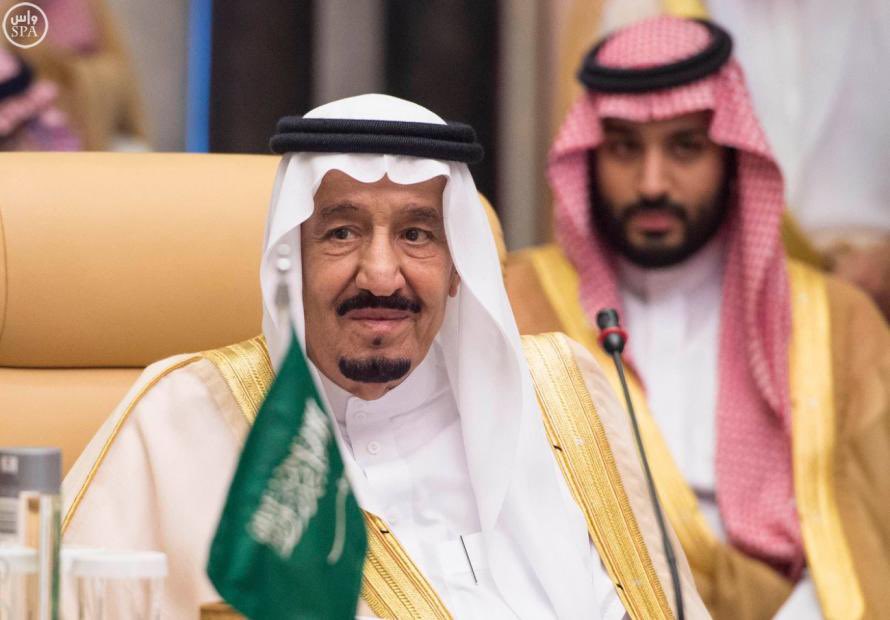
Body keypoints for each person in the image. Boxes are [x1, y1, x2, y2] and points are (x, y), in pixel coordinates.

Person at [61, 94, 707, 619]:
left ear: (457, 268)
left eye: (416, 234)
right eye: (341, 232)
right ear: (291, 257)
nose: (380, 274)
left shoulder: (562, 395)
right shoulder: (180, 420)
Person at [506, 16, 890, 619]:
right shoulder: (521, 301)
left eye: (685, 147)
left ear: (733, 153)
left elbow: (866, 534)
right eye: (624, 147)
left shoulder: (837, 324)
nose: (652, 183)